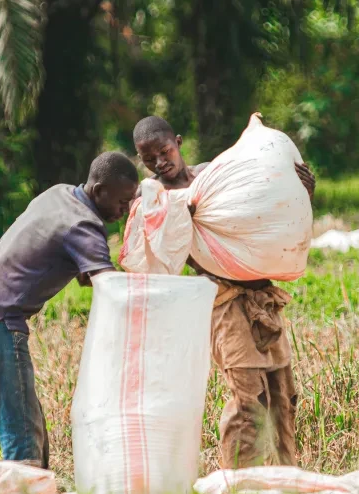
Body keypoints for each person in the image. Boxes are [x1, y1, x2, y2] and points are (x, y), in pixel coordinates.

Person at [133, 115, 315, 469]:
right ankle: (238, 484)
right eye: (148, 158)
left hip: (264, 299)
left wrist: (300, 193)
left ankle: (284, 478)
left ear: (179, 142)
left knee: (282, 395)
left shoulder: (211, 177)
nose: (159, 162)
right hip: (224, 306)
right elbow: (161, 253)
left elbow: (264, 206)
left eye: (165, 151)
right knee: (249, 401)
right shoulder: (158, 198)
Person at [0, 151, 139, 468]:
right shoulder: (83, 224)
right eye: (123, 203)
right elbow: (110, 287)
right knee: (23, 437)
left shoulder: (60, 194)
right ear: (99, 192)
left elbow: (83, 272)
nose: (125, 211)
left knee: (30, 428)